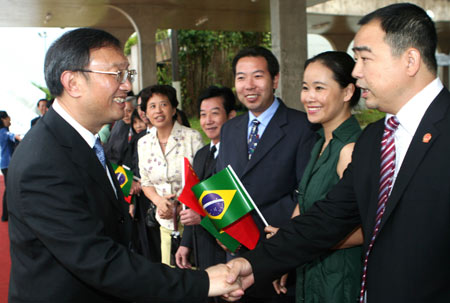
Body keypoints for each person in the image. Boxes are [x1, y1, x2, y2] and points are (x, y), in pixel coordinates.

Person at [225, 3, 450, 303]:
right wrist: (256, 262)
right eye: (355, 60)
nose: (356, 73)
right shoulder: (375, 140)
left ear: (410, 60)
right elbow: (328, 218)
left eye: (365, 58)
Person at [7, 27, 241, 303]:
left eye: (127, 74)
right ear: (72, 82)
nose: (127, 86)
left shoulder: (80, 142)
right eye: (116, 74)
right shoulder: (43, 161)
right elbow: (99, 261)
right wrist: (202, 281)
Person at [216, 46, 316, 303]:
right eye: (241, 77)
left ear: (275, 79)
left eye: (257, 76)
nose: (249, 85)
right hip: (237, 253)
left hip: (279, 253)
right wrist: (224, 232)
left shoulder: (302, 126)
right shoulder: (229, 129)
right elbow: (222, 185)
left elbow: (306, 192)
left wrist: (285, 248)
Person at [267, 51, 363, 303]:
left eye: (319, 88)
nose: (308, 97)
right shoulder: (320, 141)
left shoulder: (350, 149)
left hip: (339, 280)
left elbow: (368, 228)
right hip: (311, 273)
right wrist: (287, 249)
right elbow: (305, 201)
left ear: (347, 92)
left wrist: (301, 243)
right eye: (305, 87)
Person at [138, 84, 204, 266]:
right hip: (165, 222)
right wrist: (159, 201)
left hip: (193, 222)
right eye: (152, 106)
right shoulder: (143, 143)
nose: (158, 111)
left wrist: (184, 205)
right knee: (171, 274)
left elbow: (202, 180)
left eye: (163, 104)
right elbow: (146, 182)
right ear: (145, 114)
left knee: (196, 275)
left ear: (174, 108)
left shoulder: (192, 137)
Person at [176, 85, 237, 275]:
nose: (207, 121)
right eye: (203, 115)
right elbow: (194, 203)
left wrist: (202, 218)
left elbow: (236, 204)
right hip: (203, 246)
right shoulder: (202, 154)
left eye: (214, 113)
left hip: (229, 248)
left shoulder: (238, 154)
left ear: (231, 116)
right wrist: (185, 244)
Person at [0, 111, 21, 222]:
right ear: (3, 119)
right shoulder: (4, 132)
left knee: (9, 189)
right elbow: (16, 137)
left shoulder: (3, 132)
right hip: (8, 164)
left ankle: (6, 214)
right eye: (7, 117)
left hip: (5, 164)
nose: (10, 118)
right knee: (10, 189)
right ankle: (6, 215)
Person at [104, 95, 135, 164]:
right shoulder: (119, 125)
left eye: (129, 111)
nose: (125, 115)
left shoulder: (140, 128)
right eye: (123, 111)